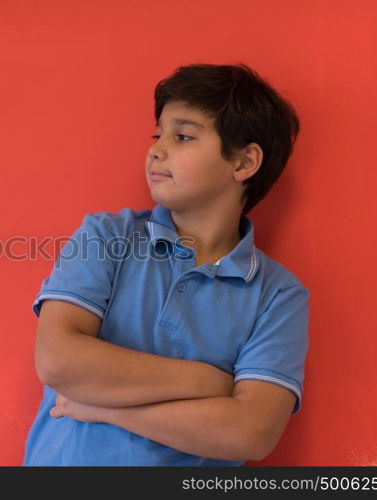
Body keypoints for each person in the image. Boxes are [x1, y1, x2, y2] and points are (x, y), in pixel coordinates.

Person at [22, 63, 310, 466]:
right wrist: (207, 380)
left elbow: (251, 432)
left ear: (244, 163)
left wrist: (104, 408)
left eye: (184, 136)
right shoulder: (107, 236)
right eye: (158, 134)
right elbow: (59, 361)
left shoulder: (278, 295)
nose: (156, 148)